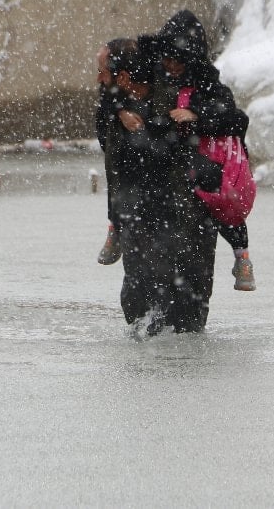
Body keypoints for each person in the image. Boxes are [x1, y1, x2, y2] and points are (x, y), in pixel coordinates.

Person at [139, 10, 258, 292]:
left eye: (178, 60)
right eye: (167, 59)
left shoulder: (208, 85)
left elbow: (235, 119)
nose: (172, 65)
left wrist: (196, 116)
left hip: (198, 176)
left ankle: (242, 257)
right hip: (164, 182)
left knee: (219, 205)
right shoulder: (151, 81)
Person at [104, 44, 218, 336]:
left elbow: (218, 122)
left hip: (178, 214)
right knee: (143, 289)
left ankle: (173, 332)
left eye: (105, 73)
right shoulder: (116, 108)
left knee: (180, 295)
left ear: (128, 77)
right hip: (142, 214)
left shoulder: (174, 103)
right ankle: (153, 329)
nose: (101, 81)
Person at [93, 38, 137, 266]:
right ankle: (116, 225)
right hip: (124, 194)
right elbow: (105, 142)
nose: (99, 77)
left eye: (103, 71)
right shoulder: (108, 100)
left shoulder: (150, 95)